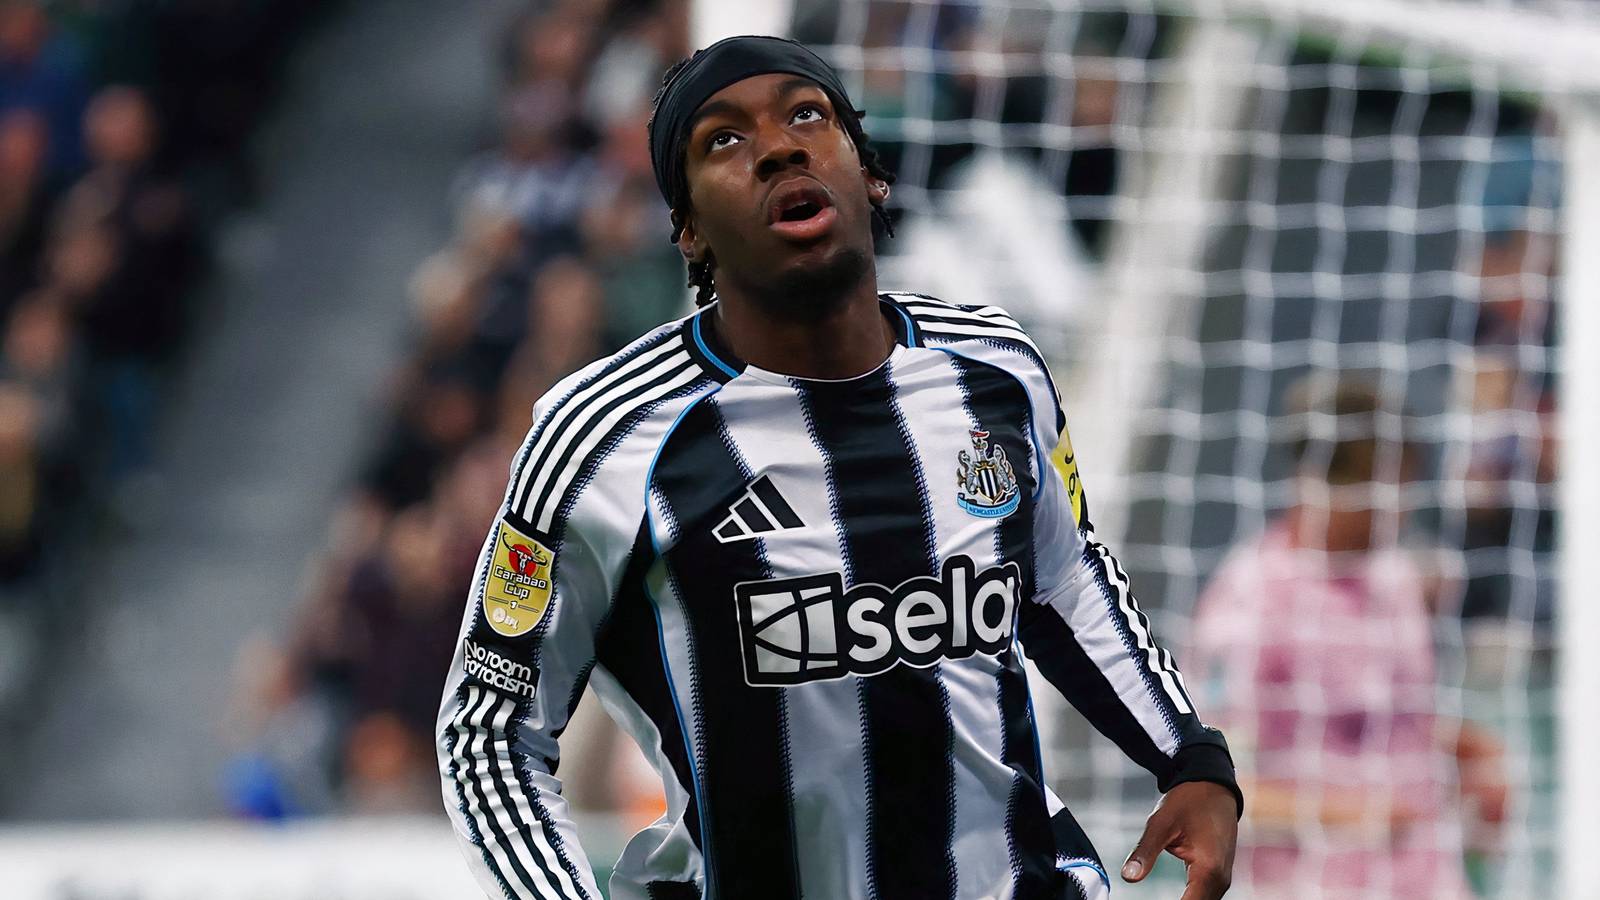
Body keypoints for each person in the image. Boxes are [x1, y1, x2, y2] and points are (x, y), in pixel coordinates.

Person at [436, 35, 1240, 900]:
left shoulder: (998, 369)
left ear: (870, 175)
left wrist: (1189, 756)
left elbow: (1064, 578)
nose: (778, 147)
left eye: (808, 115)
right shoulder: (601, 436)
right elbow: (490, 732)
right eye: (724, 139)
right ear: (690, 229)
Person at [1188, 376, 1505, 899]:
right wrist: (1357, 815)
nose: (1399, 507)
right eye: (1384, 487)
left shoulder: (1396, 578)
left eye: (1404, 486)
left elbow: (1376, 726)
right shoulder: (1249, 603)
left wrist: (1465, 748)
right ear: (1323, 483)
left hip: (1429, 881)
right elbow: (1215, 789)